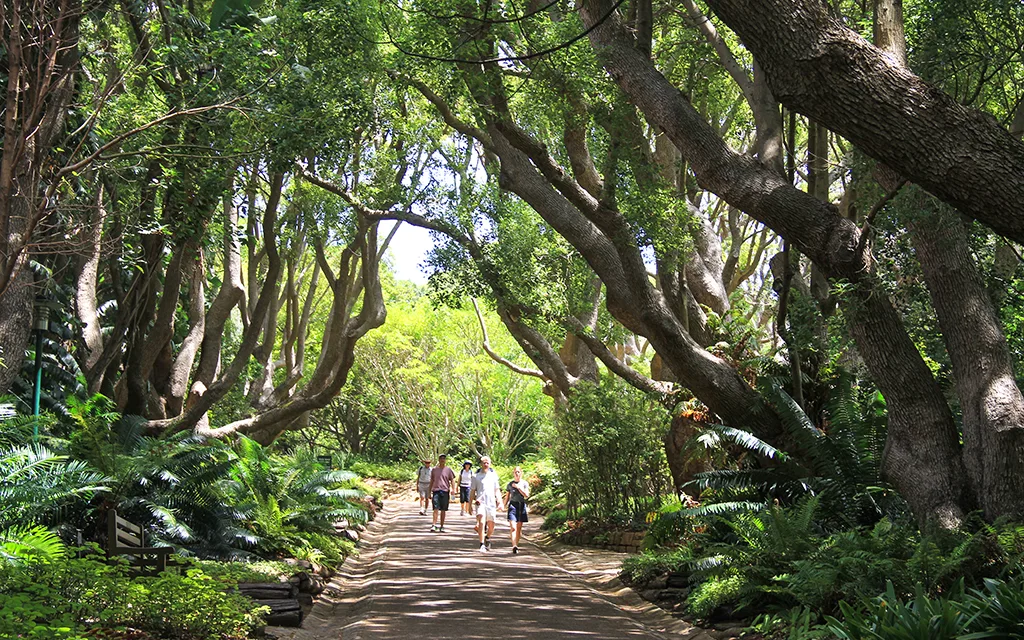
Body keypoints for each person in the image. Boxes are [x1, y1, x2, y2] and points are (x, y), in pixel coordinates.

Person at [469, 455, 502, 552]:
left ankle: (487, 537)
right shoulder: (476, 476)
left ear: (490, 464)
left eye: (487, 463)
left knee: (491, 524)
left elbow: (497, 490)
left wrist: (500, 502)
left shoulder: (493, 475)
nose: (486, 464)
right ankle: (481, 544)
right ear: (481, 464)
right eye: (484, 463)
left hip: (491, 503)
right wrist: (470, 505)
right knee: (482, 522)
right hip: (480, 502)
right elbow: (472, 491)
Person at [504, 466, 531, 555]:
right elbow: (507, 496)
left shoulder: (524, 483)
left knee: (519, 528)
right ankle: (514, 545)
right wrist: (503, 505)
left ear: (521, 473)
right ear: (513, 473)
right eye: (515, 472)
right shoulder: (510, 484)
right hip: (513, 505)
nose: (517, 474)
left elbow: (526, 495)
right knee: (513, 527)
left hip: (521, 505)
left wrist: (519, 488)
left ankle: (516, 544)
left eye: (518, 472)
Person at [429, 454, 456, 532]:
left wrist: (453, 489)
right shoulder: (434, 470)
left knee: (443, 509)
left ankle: (442, 526)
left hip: (445, 491)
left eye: (444, 458)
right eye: (441, 458)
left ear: (445, 460)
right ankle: (434, 525)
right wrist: (429, 491)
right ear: (439, 460)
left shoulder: (448, 470)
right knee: (435, 508)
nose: (442, 460)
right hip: (436, 490)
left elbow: (452, 480)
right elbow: (431, 480)